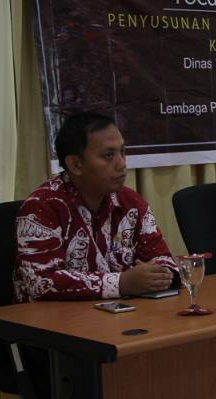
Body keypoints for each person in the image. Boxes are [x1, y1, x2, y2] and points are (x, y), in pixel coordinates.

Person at [15, 112, 177, 302]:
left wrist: (161, 275)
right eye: (109, 155)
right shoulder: (41, 207)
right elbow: (40, 282)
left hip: (116, 317)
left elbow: (163, 259)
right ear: (75, 164)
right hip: (52, 323)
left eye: (122, 152)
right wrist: (122, 283)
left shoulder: (131, 202)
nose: (122, 164)